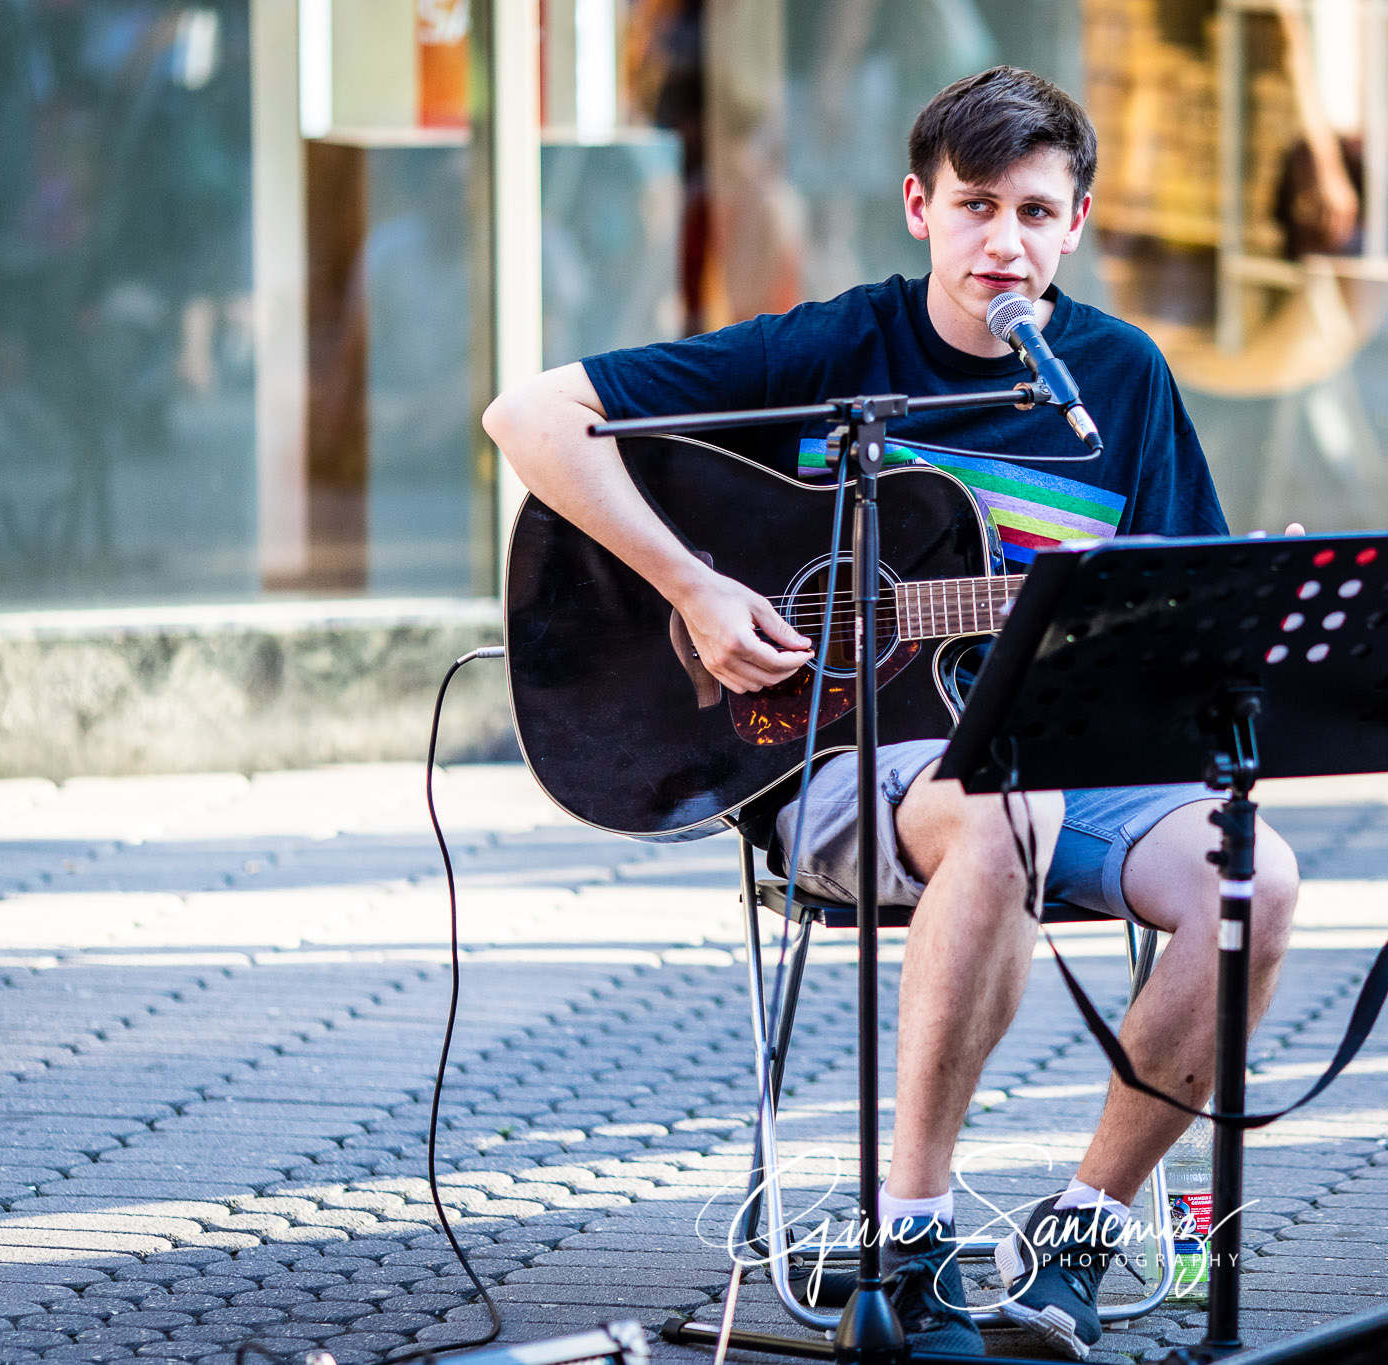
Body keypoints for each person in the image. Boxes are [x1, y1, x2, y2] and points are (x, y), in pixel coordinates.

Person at [483, 66, 1300, 1360]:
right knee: (998, 804)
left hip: (1059, 753)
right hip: (829, 755)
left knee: (1253, 870)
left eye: (1037, 212)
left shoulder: (1121, 382)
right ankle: (911, 1234)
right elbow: (529, 415)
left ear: (1076, 226)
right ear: (920, 206)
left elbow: (1183, 604)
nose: (1006, 242)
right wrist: (695, 590)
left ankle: (1080, 1237)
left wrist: (1232, 621)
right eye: (976, 206)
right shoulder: (834, 350)